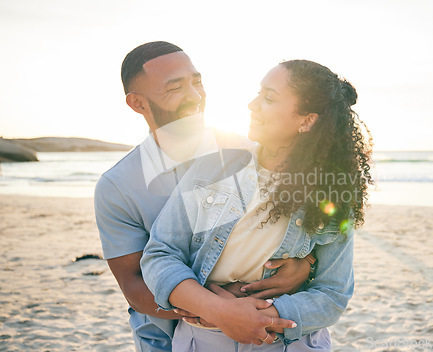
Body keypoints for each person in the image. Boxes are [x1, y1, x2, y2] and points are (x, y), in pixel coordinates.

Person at [94, 42, 316, 352]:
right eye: (175, 88)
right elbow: (133, 285)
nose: (195, 96)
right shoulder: (118, 186)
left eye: (196, 81)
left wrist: (307, 267)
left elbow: (309, 236)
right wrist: (215, 309)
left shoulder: (255, 153)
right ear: (138, 104)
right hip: (165, 339)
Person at [141, 60, 373, 350]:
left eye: (269, 97)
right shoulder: (213, 167)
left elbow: (332, 293)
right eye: (258, 93)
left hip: (287, 341)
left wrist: (263, 315)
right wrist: (219, 310)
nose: (252, 104)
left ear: (307, 120)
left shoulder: (331, 192)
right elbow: (160, 254)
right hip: (204, 341)